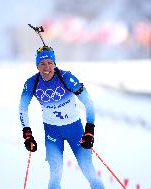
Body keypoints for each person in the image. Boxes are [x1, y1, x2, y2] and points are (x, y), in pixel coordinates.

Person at [19, 45, 105, 189]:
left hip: (75, 130)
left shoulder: (67, 78)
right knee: (55, 173)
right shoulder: (31, 83)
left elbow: (88, 103)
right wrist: (27, 134)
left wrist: (89, 130)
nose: (46, 67)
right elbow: (22, 108)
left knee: (88, 170)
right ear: (37, 66)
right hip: (52, 133)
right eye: (42, 64)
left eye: (50, 63)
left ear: (54, 63)